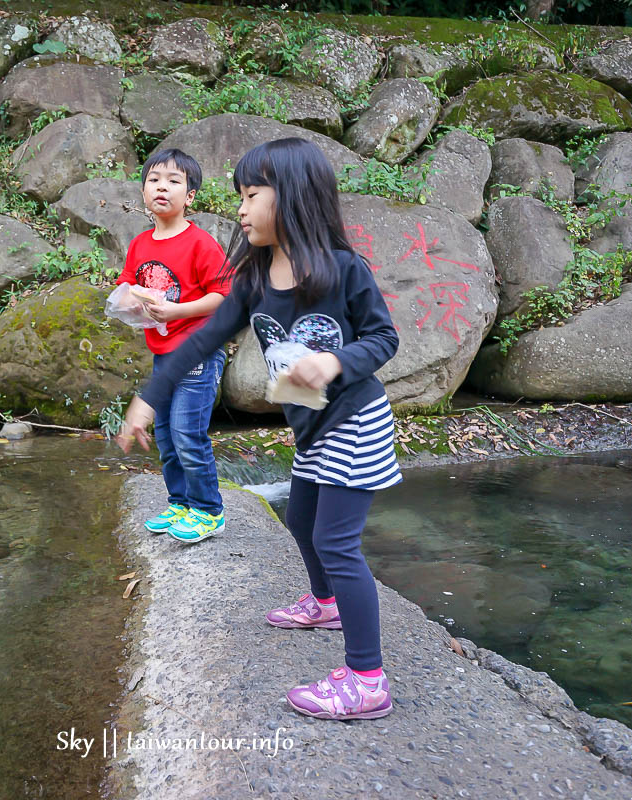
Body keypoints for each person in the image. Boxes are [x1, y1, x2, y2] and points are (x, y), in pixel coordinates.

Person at [116, 138, 402, 721]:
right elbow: (199, 339)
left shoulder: (343, 269)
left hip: (356, 418)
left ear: (293, 197)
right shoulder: (252, 278)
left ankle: (367, 678)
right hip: (311, 424)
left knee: (336, 542)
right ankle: (325, 603)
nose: (241, 210)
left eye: (251, 195)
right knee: (299, 518)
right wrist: (149, 396)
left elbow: (384, 338)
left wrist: (336, 361)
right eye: (240, 196)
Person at [116, 148, 232, 544]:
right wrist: (129, 300)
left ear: (191, 196)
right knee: (165, 433)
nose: (162, 187)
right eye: (154, 179)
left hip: (199, 351)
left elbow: (224, 296)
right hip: (163, 353)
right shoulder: (140, 244)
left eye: (174, 181)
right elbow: (126, 283)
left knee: (187, 431)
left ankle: (208, 510)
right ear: (143, 191)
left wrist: (177, 310)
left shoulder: (200, 244)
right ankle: (180, 501)